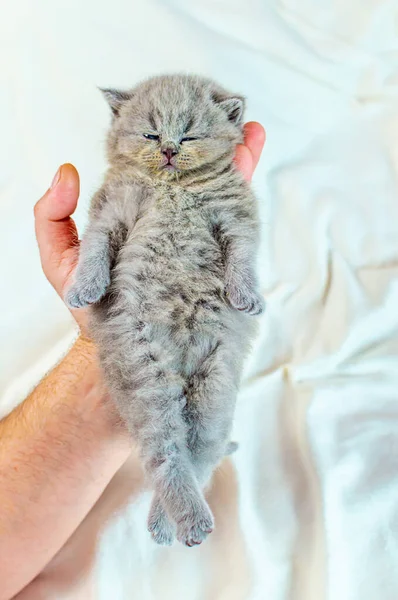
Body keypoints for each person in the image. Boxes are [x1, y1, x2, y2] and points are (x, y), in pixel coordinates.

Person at [0, 123, 265, 600]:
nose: (166, 152)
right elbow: (103, 234)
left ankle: (191, 475)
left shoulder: (221, 188)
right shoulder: (124, 187)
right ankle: (177, 483)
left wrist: (240, 277)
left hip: (211, 321)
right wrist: (98, 298)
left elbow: (239, 237)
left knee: (210, 408)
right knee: (158, 399)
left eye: (187, 139)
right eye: (150, 137)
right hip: (138, 315)